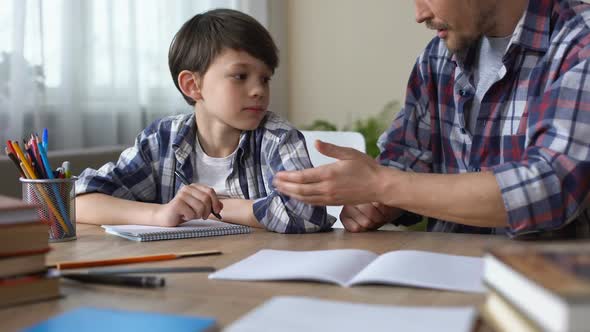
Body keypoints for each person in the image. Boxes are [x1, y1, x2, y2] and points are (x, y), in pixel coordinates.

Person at [273, 0, 590, 239]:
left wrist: (383, 184)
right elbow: (408, 156)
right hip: (441, 277)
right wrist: (376, 198)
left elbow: (552, 186)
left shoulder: (580, 43)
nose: (419, 13)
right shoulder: (438, 56)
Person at [75, 9, 335, 233]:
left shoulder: (277, 137)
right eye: (240, 76)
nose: (258, 90)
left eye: (265, 78)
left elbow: (307, 214)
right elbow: (77, 199)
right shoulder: (161, 140)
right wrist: (160, 214)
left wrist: (216, 210)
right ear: (192, 85)